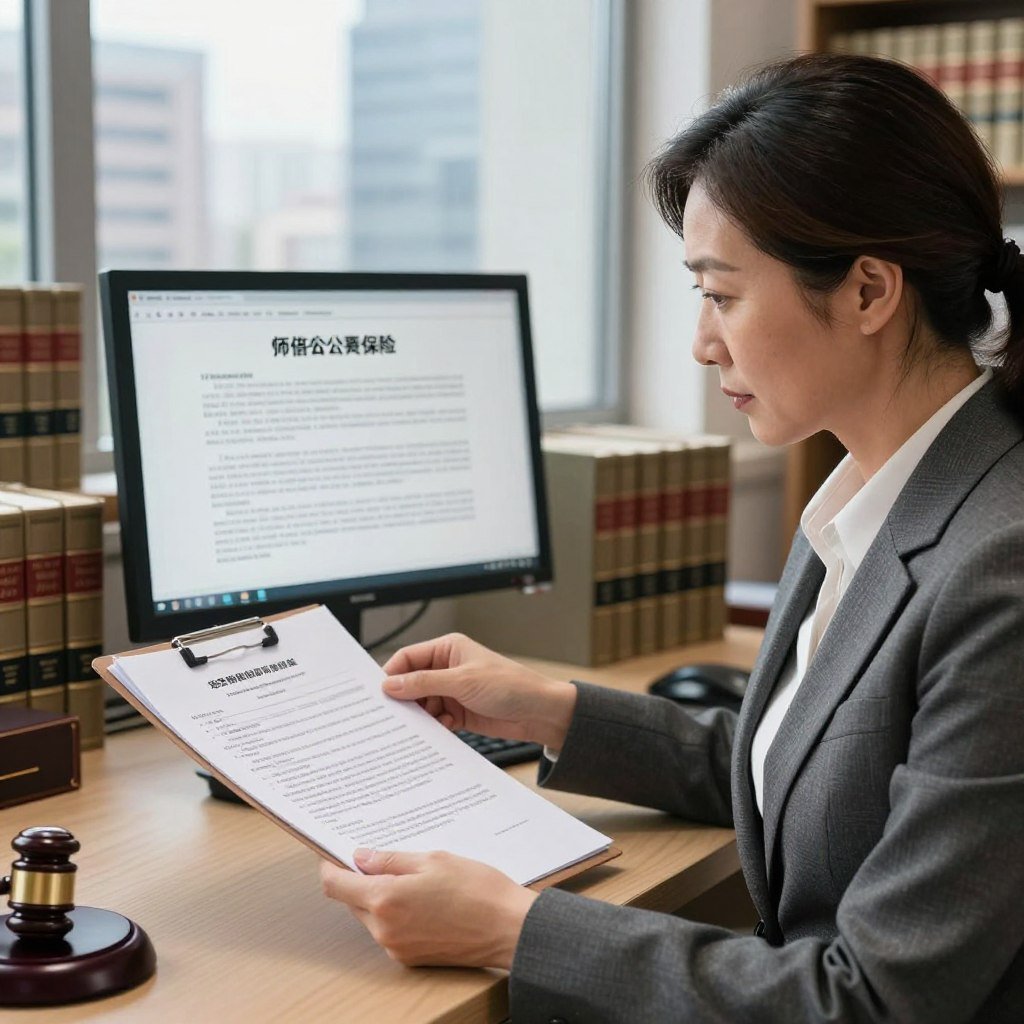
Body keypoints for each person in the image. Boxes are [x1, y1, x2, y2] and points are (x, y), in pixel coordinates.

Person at [320, 53, 1024, 1022]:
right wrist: (552, 709)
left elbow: (876, 1003)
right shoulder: (873, 485)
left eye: (721, 293)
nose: (702, 341)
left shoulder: (999, 569)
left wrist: (511, 928)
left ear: (868, 293)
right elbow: (824, 763)